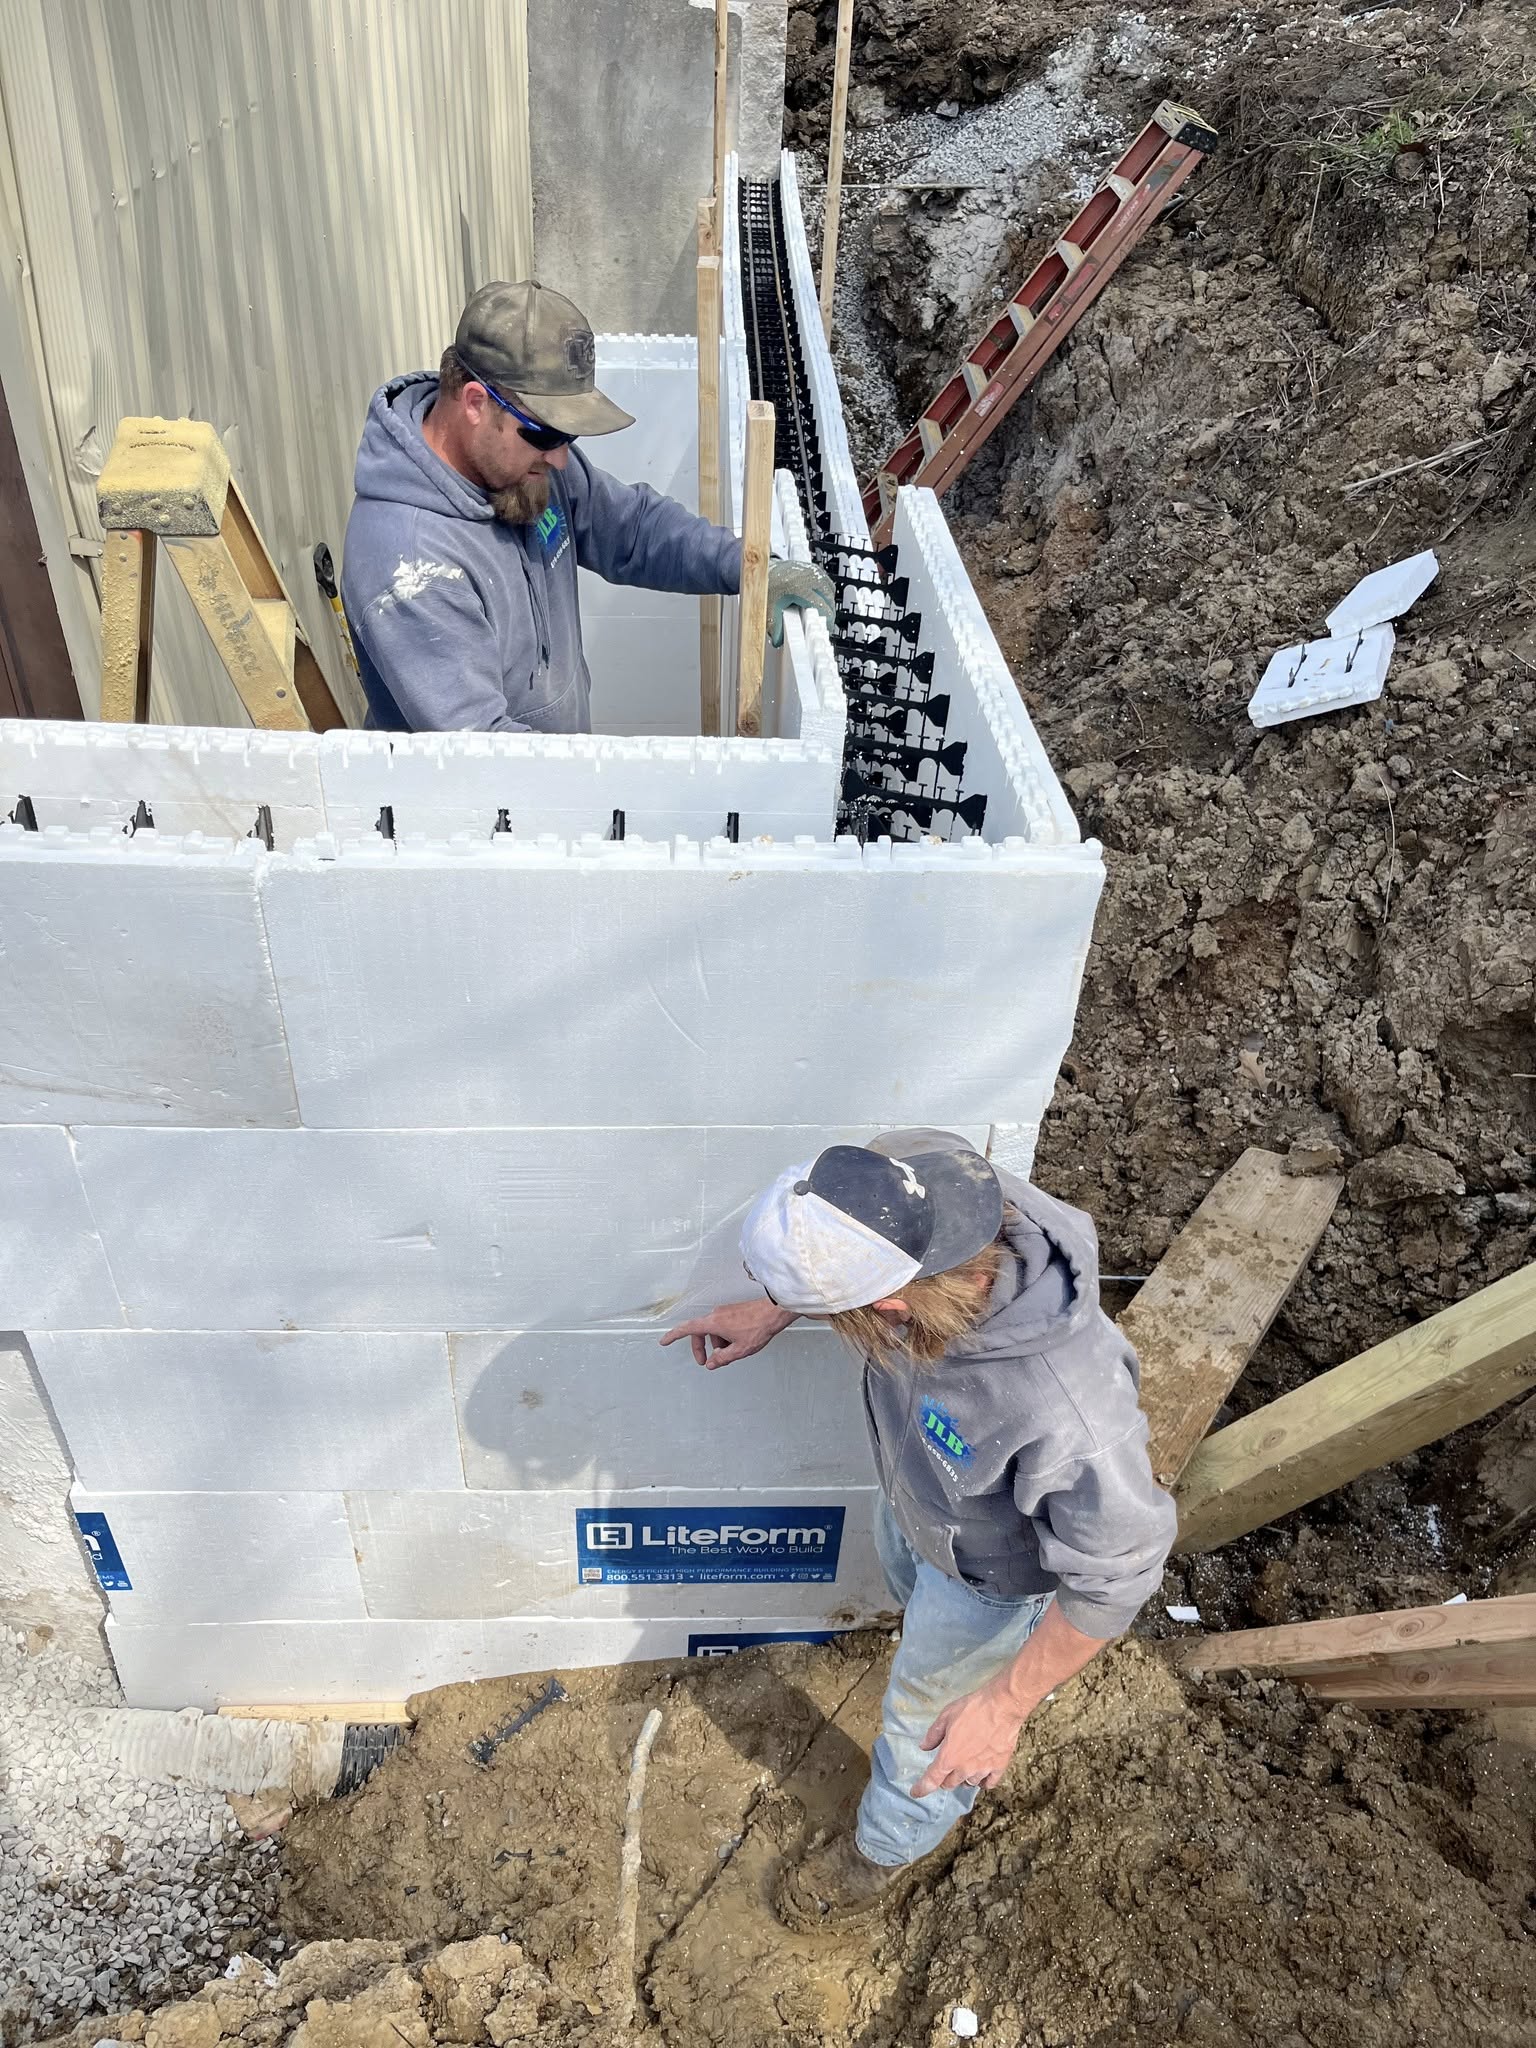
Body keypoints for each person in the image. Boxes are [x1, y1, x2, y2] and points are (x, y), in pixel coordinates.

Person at [661, 1129, 1177, 1928]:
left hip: (990, 1578)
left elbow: (1120, 1573)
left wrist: (1003, 1705)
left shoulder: (1063, 1406)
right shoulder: (925, 1177)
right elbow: (858, 1231)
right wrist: (777, 1306)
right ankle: (930, 1655)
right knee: (912, 1596)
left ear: (893, 1306)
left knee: (924, 1727)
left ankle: (887, 1849)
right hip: (924, 1500)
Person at [342, 279, 833, 732]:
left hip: (559, 792)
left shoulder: (524, 469)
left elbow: (632, 528)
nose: (560, 457)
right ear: (474, 402)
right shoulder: (409, 565)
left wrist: (750, 568)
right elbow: (486, 760)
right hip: (494, 820)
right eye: (547, 432)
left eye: (569, 434)